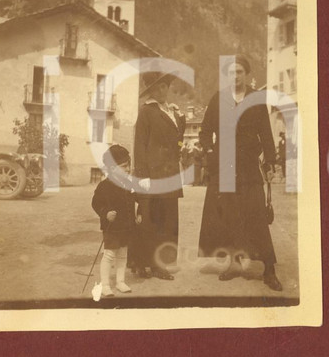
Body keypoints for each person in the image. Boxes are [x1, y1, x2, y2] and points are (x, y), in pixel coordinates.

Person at [198, 56, 283, 291]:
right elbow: (204, 132)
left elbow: (265, 132)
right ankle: (234, 264)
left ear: (246, 74)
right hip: (224, 166)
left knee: (256, 216)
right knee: (230, 217)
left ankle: (269, 269)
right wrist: (210, 152)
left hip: (248, 167)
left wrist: (270, 162)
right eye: (231, 72)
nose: (235, 76)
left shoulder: (256, 99)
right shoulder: (219, 99)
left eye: (239, 72)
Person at [130, 71, 185, 280]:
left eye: (164, 86)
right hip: (153, 175)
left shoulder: (171, 111)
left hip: (169, 175)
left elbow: (178, 140)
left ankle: (153, 263)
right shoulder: (147, 111)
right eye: (157, 88)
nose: (162, 91)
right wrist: (142, 175)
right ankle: (150, 264)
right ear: (150, 91)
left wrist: (180, 119)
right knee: (151, 221)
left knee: (167, 220)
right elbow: (140, 144)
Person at [90, 144, 140, 297]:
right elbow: (96, 203)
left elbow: (137, 199)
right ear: (112, 168)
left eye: (128, 165)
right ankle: (105, 285)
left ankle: (120, 281)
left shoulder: (129, 183)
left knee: (123, 255)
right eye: (124, 166)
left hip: (127, 226)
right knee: (109, 255)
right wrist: (105, 213)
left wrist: (139, 213)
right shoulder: (105, 186)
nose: (128, 169)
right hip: (112, 227)